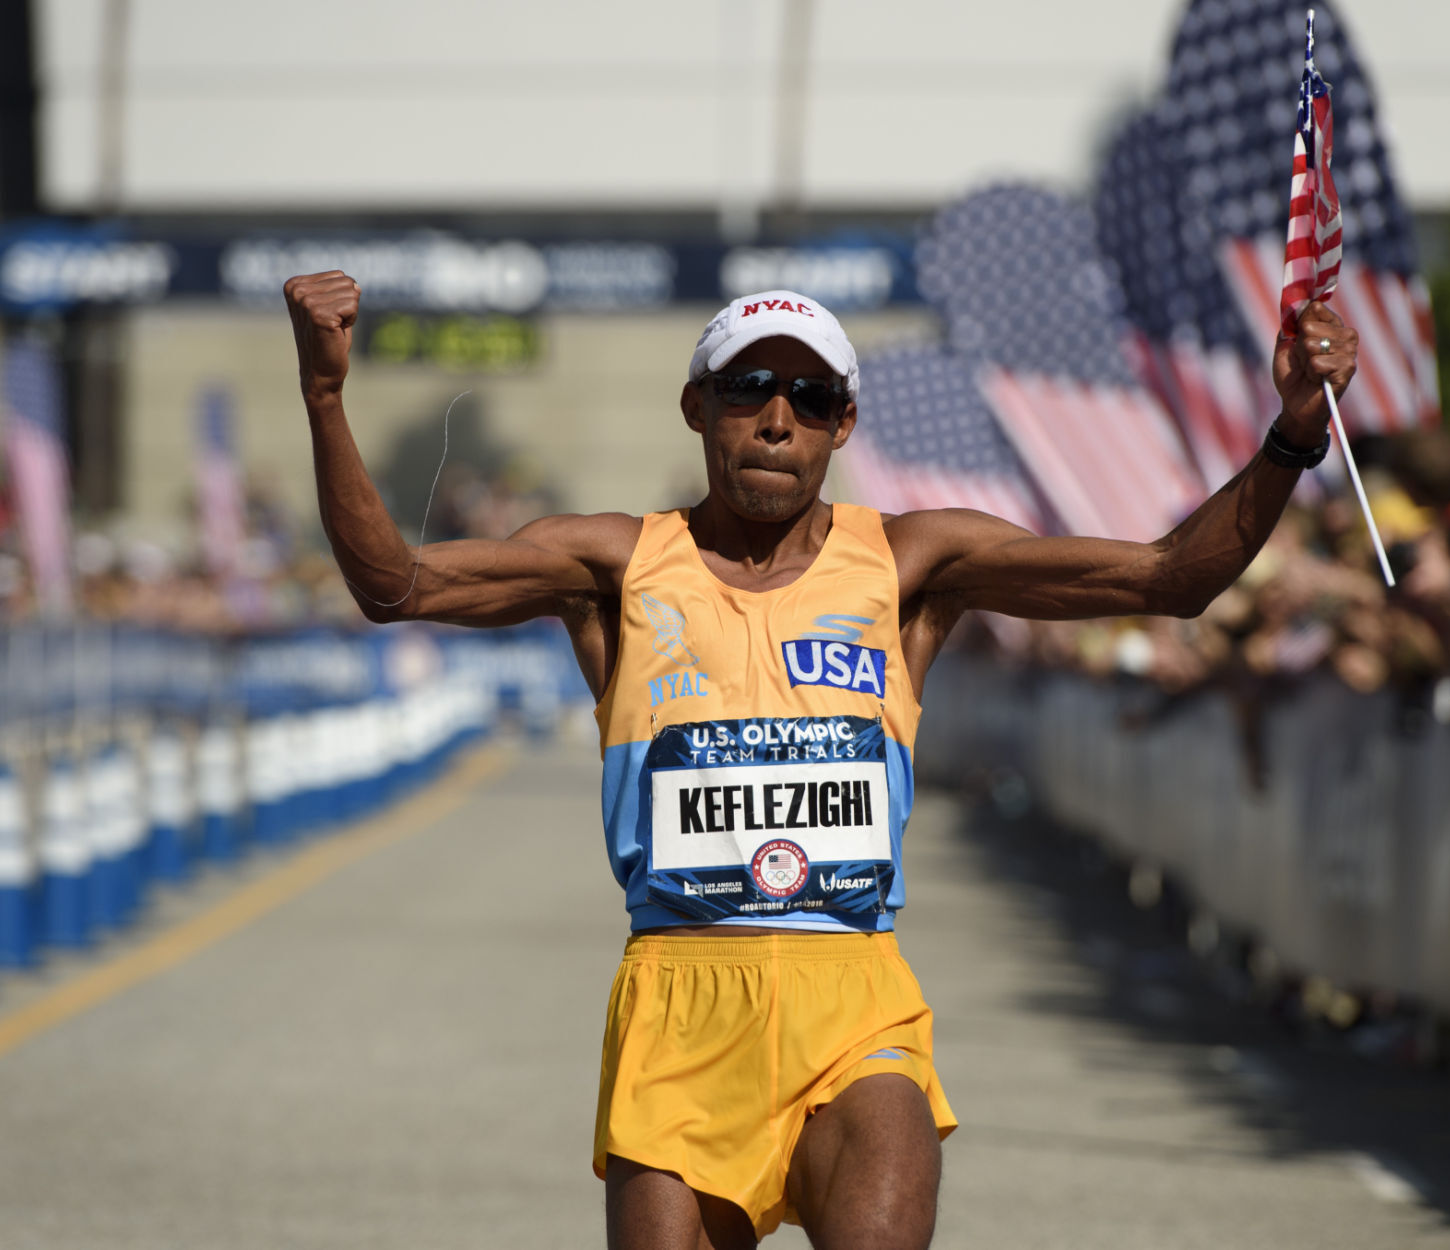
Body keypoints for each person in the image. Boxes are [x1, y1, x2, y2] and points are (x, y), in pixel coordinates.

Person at [284, 271, 1359, 1250]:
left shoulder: (908, 559)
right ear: (695, 406)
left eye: (807, 397)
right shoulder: (613, 561)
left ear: (842, 424)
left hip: (853, 998)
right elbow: (397, 586)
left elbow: (1170, 577)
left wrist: (1292, 433)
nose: (775, 417)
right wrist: (327, 400)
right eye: (747, 386)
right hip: (677, 999)